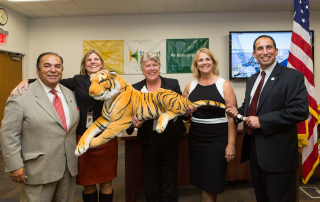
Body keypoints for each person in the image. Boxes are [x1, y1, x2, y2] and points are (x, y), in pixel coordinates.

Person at [11, 49, 117, 202]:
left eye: (96, 59)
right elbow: (51, 80)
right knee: (88, 182)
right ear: (84, 65)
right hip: (83, 138)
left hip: (106, 137)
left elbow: (124, 99)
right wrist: (27, 81)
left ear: (101, 63)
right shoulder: (78, 80)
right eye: (89, 60)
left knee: (107, 181)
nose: (93, 62)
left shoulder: (112, 79)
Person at [226, 35, 309, 202]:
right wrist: (237, 112)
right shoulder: (253, 79)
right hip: (256, 153)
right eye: (260, 49)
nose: (265, 52)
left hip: (279, 156)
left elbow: (299, 111)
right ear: (254, 54)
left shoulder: (292, 76)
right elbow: (251, 107)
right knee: (262, 197)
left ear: (276, 51)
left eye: (269, 47)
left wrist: (262, 121)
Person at [0, 52, 80, 201]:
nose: (53, 69)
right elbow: (9, 134)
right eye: (47, 65)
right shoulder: (21, 96)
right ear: (37, 70)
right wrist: (14, 165)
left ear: (62, 70)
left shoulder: (69, 94)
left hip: (68, 168)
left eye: (57, 66)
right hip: (38, 170)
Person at [126, 51, 187, 202]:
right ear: (142, 69)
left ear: (160, 67)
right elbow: (129, 117)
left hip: (169, 136)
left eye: (155, 65)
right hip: (148, 139)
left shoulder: (172, 84)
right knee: (151, 178)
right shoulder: (135, 89)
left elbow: (181, 110)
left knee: (169, 177)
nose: (152, 68)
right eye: (148, 65)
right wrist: (135, 124)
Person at [182, 48, 237, 202]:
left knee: (212, 181)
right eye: (201, 60)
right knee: (201, 180)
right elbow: (181, 112)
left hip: (217, 139)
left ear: (213, 62)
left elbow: (232, 118)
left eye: (207, 59)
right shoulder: (190, 86)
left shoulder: (224, 85)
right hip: (196, 138)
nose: (204, 62)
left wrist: (231, 144)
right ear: (196, 65)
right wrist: (186, 111)